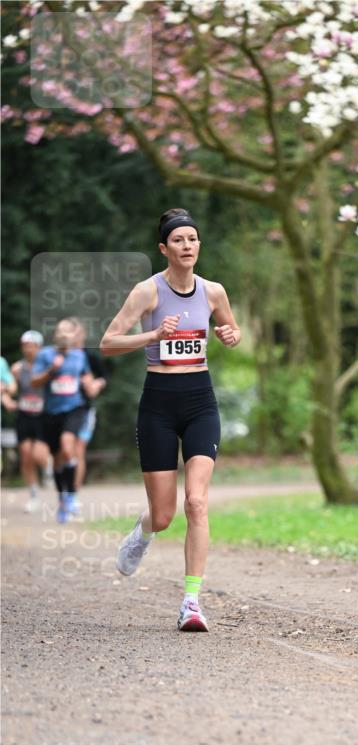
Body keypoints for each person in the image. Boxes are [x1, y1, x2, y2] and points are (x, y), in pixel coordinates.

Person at [100, 207, 241, 633]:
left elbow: (231, 330)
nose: (187, 246)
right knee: (162, 515)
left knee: (196, 502)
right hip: (158, 403)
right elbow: (108, 342)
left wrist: (231, 336)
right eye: (178, 240)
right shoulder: (148, 292)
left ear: (199, 245)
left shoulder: (213, 291)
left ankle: (191, 603)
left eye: (192, 239)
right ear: (164, 248)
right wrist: (153, 335)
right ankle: (142, 534)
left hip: (200, 400)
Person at [30, 321, 101, 523]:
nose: (64, 335)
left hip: (75, 408)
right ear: (55, 335)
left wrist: (92, 385)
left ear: (72, 336)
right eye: (60, 331)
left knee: (68, 448)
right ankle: (62, 497)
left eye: (67, 331)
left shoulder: (79, 356)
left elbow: (88, 377)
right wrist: (52, 370)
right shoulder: (45, 355)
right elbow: (34, 382)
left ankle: (71, 495)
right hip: (51, 412)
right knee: (58, 458)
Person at [55, 317, 109, 510]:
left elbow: (104, 376)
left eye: (77, 332)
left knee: (78, 450)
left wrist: (96, 384)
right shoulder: (58, 355)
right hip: (60, 410)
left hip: (84, 410)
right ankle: (63, 490)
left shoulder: (89, 356)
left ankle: (73, 495)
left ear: (83, 334)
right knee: (63, 451)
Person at [11, 330, 53, 512]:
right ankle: (34, 495)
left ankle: (49, 469)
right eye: (25, 345)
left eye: (32, 346)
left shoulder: (47, 366)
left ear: (39, 347)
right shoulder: (17, 369)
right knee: (26, 456)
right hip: (24, 413)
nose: (28, 349)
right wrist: (9, 399)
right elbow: (11, 389)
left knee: (38, 455)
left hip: (43, 414)